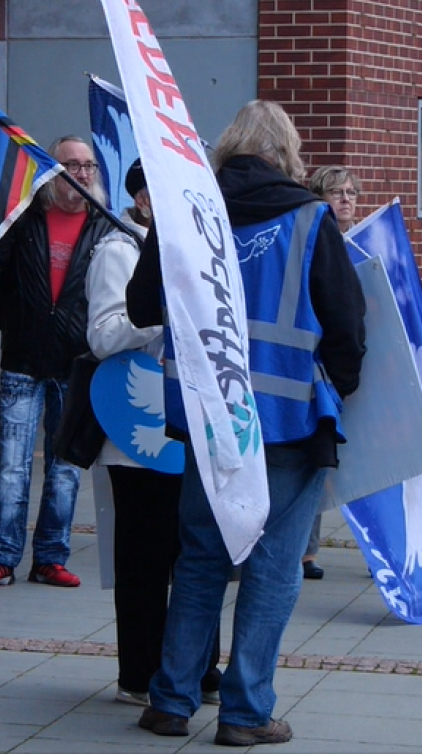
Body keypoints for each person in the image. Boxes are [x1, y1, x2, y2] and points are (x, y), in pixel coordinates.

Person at [127, 100, 365, 746]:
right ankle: (245, 710)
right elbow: (347, 327)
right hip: (289, 419)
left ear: (229, 147)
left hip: (210, 421)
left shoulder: (184, 208)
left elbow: (142, 303)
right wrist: (335, 389)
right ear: (286, 152)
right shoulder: (313, 219)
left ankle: (171, 700)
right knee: (274, 565)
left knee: (202, 556)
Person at [84, 159, 221, 707]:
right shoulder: (119, 251)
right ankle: (139, 675)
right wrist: (168, 318)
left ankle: (199, 669)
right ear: (144, 201)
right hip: (137, 430)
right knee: (143, 558)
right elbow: (102, 335)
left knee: (195, 551)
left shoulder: (194, 251)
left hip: (187, 423)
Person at [0, 136, 115, 588]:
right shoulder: (24, 220)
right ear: (53, 172)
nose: (82, 174)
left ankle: (50, 556)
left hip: (76, 365)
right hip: (23, 359)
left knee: (65, 470)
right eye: (72, 165)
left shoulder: (105, 228)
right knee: (11, 466)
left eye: (89, 166)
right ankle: (2, 557)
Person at [298, 166, 362, 581]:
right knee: (314, 462)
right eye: (335, 192)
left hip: (358, 368)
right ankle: (306, 551)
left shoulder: (364, 247)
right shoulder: (311, 243)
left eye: (351, 192)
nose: (345, 199)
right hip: (319, 369)